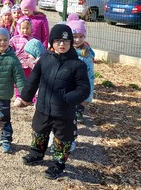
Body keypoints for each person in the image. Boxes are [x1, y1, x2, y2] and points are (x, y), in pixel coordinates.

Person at [20, 24, 90, 180]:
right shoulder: (45, 59)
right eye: (57, 41)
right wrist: (26, 97)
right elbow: (33, 79)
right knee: (39, 131)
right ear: (51, 42)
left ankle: (58, 164)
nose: (62, 44)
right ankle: (36, 154)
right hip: (43, 107)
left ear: (71, 43)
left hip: (64, 111)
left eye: (65, 41)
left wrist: (68, 99)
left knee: (62, 138)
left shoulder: (78, 65)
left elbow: (84, 89)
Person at [67, 18, 95, 123]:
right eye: (74, 37)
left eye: (81, 36)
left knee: (79, 100)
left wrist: (88, 94)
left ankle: (79, 111)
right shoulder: (65, 51)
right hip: (68, 83)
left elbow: (90, 75)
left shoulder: (86, 54)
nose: (77, 40)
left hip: (80, 83)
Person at [10, 17, 35, 106]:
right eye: (23, 28)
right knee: (18, 80)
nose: (25, 30)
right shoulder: (15, 39)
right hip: (19, 63)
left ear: (31, 28)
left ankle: (30, 97)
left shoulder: (33, 40)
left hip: (30, 64)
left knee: (30, 80)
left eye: (27, 28)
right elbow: (10, 48)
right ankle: (18, 96)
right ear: (19, 29)